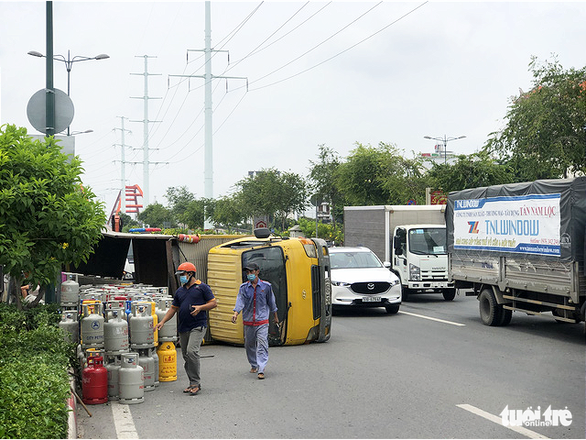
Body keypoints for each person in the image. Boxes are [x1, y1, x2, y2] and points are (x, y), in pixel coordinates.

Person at [156, 261, 216, 395]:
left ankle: (195, 383)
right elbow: (173, 308)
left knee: (191, 351)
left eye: (183, 274)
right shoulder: (180, 291)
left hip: (198, 325)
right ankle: (191, 382)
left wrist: (201, 308)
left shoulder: (202, 288)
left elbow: (213, 303)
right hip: (184, 327)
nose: (181, 277)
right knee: (185, 355)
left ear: (190, 274)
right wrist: (163, 321)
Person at [231, 262, 279, 380]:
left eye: (251, 272)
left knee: (262, 344)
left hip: (262, 321)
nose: (249, 274)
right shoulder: (243, 288)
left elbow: (271, 302)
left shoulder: (266, 286)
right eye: (247, 273)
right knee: (249, 345)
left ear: (257, 272)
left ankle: (261, 368)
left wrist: (275, 316)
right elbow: (240, 300)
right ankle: (254, 364)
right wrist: (236, 313)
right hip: (248, 321)